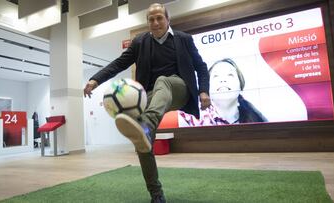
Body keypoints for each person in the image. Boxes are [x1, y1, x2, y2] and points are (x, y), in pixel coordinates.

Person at [83, 3, 211, 203]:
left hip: (179, 89)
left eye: (159, 17)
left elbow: (201, 67)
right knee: (142, 145)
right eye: (151, 19)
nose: (155, 22)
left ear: (168, 19)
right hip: (151, 97)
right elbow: (119, 63)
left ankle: (147, 125)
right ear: (147, 22)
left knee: (163, 80)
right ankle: (156, 194)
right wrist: (95, 79)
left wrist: (203, 91)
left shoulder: (184, 39)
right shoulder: (140, 42)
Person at [179, 58, 266, 126]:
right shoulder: (189, 117)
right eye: (216, 76)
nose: (223, 80)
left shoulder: (257, 119)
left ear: (241, 84)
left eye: (230, 75)